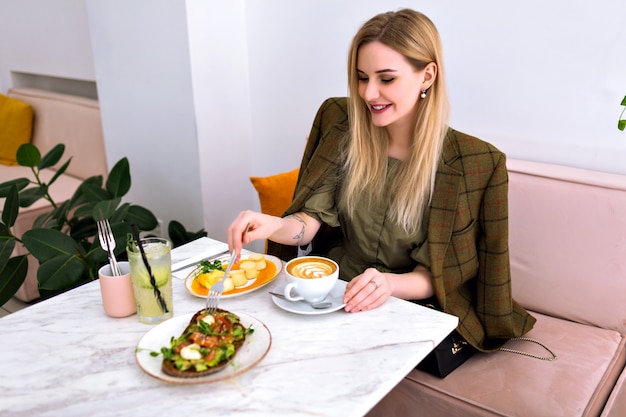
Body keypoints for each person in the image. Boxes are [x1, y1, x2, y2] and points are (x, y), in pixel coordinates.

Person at [227, 8, 535, 353]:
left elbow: (440, 274)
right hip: (335, 288)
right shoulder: (340, 122)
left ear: (428, 75)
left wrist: (387, 284)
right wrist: (270, 225)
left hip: (406, 303)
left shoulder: (473, 162)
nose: (369, 94)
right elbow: (310, 223)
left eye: (386, 79)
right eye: (361, 78)